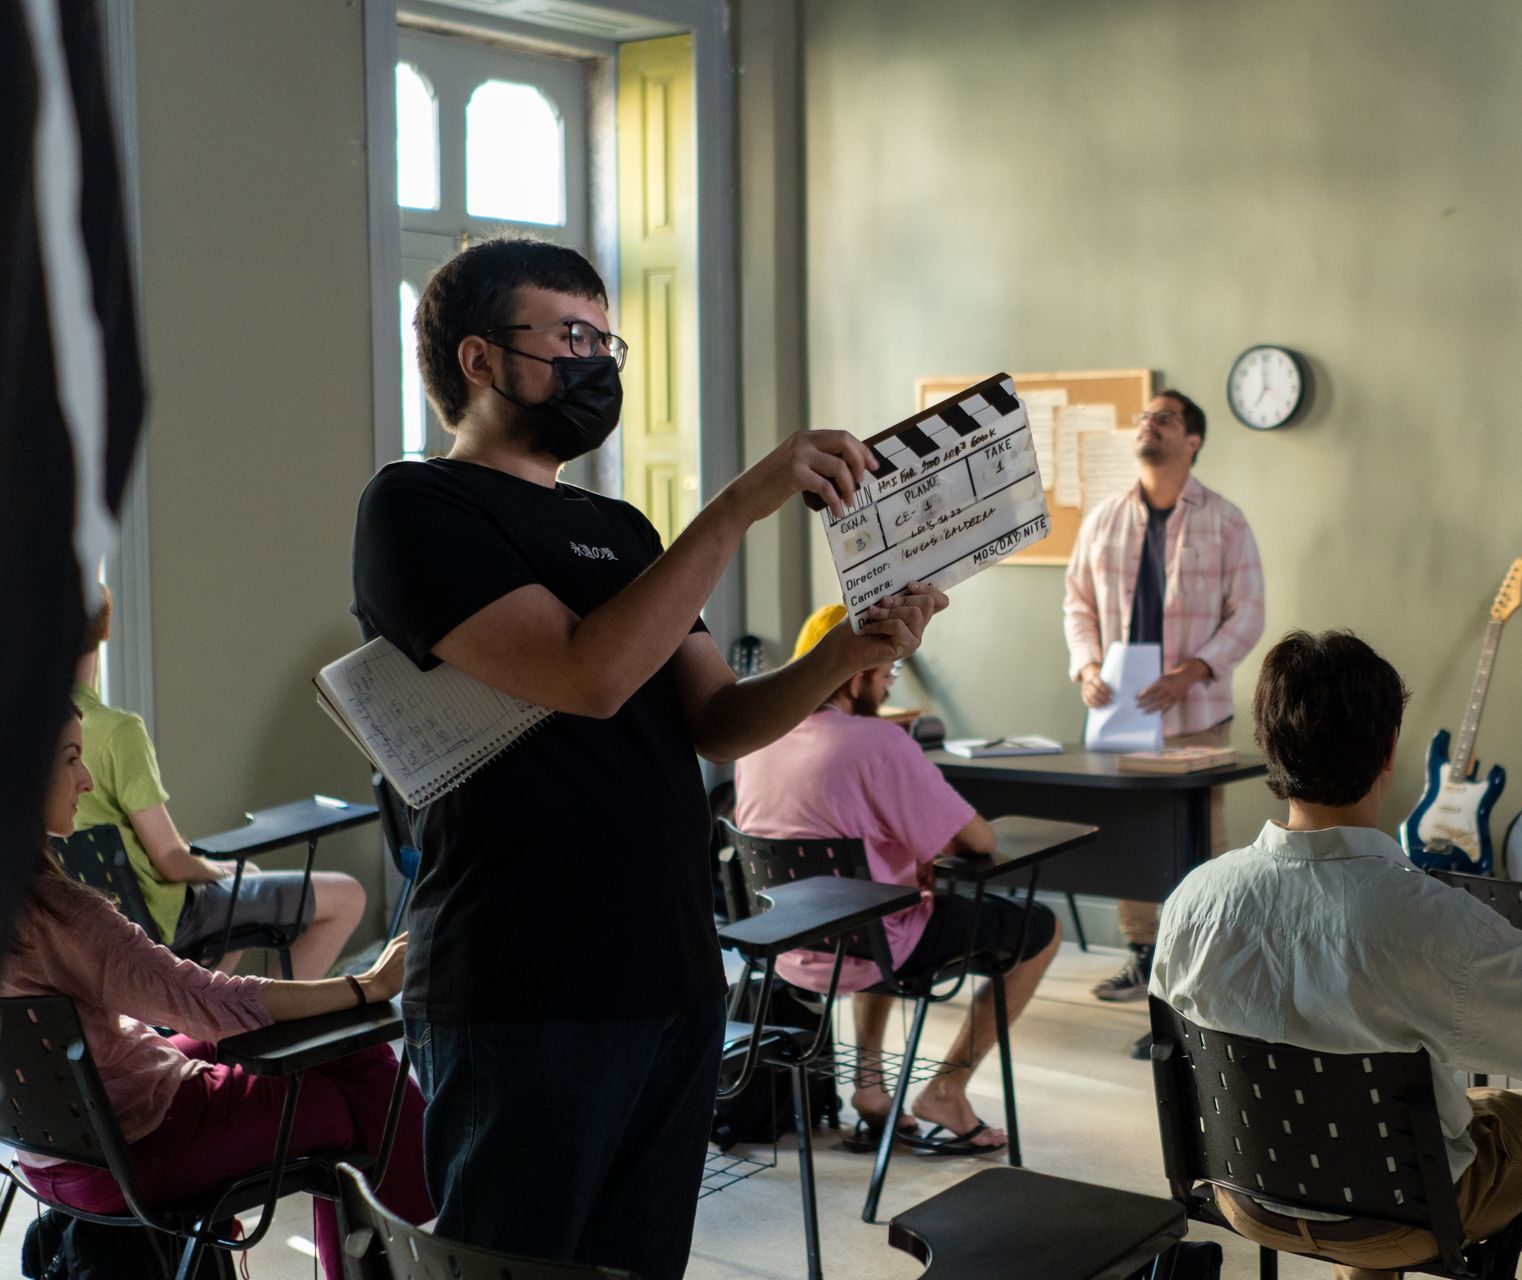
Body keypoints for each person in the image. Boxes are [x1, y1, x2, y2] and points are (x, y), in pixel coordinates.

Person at [351, 237, 944, 1277]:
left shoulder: (621, 528)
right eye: (568, 336)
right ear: (480, 359)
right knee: (514, 1260)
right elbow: (592, 674)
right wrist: (740, 504)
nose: (597, 361)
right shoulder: (419, 506)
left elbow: (716, 718)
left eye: (604, 337)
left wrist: (848, 649)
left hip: (669, 966)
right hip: (523, 980)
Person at [1150, 631, 1522, 1280]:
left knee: (1367, 1129)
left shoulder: (1191, 904)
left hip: (1247, 1195)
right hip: (1405, 1213)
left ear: (1268, 748)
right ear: (1390, 751)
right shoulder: (1431, 925)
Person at [11, 703, 430, 1280]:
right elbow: (207, 1004)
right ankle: (430, 1250)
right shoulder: (59, 916)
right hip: (129, 1150)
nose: (86, 779)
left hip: (47, 1151)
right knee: (348, 1100)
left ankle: (424, 1231)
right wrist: (369, 985)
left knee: (348, 1049)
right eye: (72, 760)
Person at [734, 604, 1062, 1154]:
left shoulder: (757, 738)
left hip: (786, 947)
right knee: (1040, 929)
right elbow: (979, 842)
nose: (888, 688)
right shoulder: (879, 744)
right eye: (887, 673)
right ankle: (946, 1089)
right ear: (857, 671)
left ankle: (869, 1089)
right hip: (873, 946)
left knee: (877, 902)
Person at [1062, 389, 1264, 1025]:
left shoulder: (1225, 521)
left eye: (1165, 418)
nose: (1149, 425)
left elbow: (1249, 613)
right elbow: (1077, 605)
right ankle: (1143, 954)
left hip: (1194, 709)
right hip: (1119, 709)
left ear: (1192, 440)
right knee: (1129, 836)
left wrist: (1195, 670)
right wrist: (1087, 665)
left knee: (1201, 835)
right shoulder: (1103, 519)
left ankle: (1201, 963)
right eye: (1145, 417)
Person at [71, 588, 367, 977]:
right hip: (163, 920)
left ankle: (217, 1021)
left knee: (232, 915)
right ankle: (275, 1024)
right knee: (347, 895)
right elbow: (171, 862)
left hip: (90, 933)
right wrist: (224, 870)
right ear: (103, 631)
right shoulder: (116, 732)